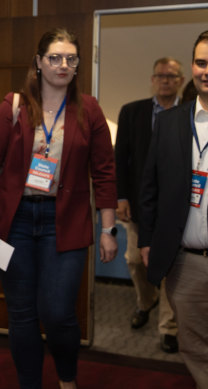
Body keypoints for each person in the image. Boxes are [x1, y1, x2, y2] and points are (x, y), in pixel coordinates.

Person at [0, 28, 117, 389]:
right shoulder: (15, 105)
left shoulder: (89, 109)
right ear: (39, 62)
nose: (63, 64)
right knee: (21, 316)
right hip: (16, 221)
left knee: (57, 314)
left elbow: (104, 172)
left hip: (64, 222)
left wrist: (107, 228)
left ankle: (67, 378)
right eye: (55, 57)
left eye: (71, 58)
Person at [139, 30, 208, 389]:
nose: (206, 71)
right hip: (187, 262)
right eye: (201, 62)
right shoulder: (169, 122)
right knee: (194, 345)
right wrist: (147, 240)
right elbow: (149, 188)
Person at [114, 57, 184, 353]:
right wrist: (121, 197)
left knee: (171, 267)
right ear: (152, 80)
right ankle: (147, 301)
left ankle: (168, 327)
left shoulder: (191, 113)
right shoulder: (132, 112)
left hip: (178, 207)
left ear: (180, 81)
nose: (165, 80)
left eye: (172, 76)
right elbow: (120, 159)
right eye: (160, 75)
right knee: (134, 259)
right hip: (139, 205)